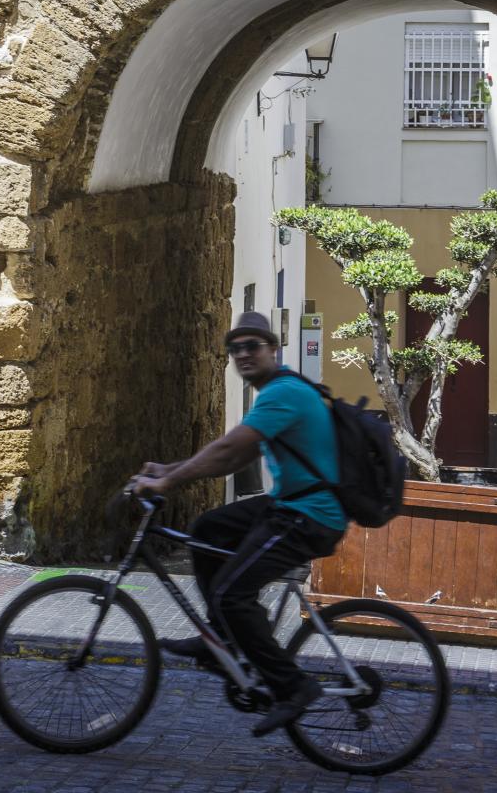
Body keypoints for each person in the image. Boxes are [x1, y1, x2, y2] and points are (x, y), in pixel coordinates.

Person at [133, 311, 347, 736]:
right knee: (209, 528)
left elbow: (229, 450)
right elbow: (237, 456)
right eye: (235, 348)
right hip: (290, 504)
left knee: (233, 592)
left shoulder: (282, 393)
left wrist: (168, 482)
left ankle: (293, 686)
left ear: (273, 349)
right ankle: (223, 639)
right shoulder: (276, 392)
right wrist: (168, 468)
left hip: (310, 515)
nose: (243, 354)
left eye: (253, 346)